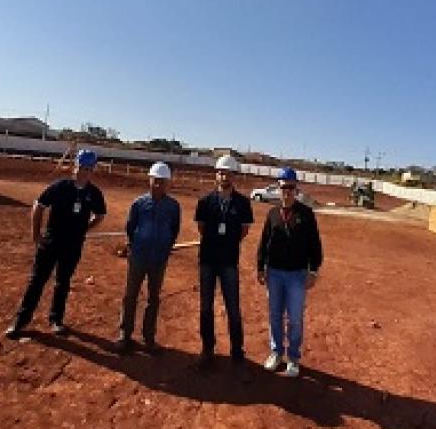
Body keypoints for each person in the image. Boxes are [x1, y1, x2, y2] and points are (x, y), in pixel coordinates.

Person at [5, 149, 106, 339]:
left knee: (63, 282)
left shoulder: (94, 194)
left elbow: (99, 215)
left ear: (92, 170)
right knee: (37, 280)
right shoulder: (60, 187)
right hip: (51, 242)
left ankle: (56, 320)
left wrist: (84, 229)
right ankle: (20, 320)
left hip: (73, 245)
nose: (83, 171)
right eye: (80, 167)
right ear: (74, 166)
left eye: (87, 168)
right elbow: (39, 206)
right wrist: (36, 234)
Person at [256, 166, 323, 377]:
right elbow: (264, 241)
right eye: (284, 187)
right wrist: (260, 267)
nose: (287, 191)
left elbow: (315, 245)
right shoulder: (273, 213)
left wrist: (314, 270)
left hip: (296, 274)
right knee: (275, 316)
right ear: (278, 187)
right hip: (274, 273)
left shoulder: (306, 214)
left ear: (296, 189)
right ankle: (276, 353)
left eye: (291, 188)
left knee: (294, 318)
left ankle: (293, 358)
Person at [195, 155, 254, 372]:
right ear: (216, 175)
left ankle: (237, 353)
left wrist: (227, 243)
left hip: (229, 261)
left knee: (233, 309)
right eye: (221, 172)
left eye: (228, 173)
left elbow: (243, 232)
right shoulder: (205, 202)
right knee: (205, 307)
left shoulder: (243, 204)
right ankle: (207, 349)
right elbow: (202, 228)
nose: (224, 176)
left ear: (234, 176)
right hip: (207, 261)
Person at [117, 161, 181, 353]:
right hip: (138, 256)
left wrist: (166, 248)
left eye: (162, 182)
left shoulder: (173, 207)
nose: (158, 185)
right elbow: (130, 227)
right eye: (155, 181)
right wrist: (133, 245)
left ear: (168, 183)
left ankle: (148, 337)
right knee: (130, 296)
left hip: (159, 259)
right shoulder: (138, 203)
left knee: (153, 298)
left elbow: (174, 229)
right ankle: (124, 335)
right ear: (150, 181)